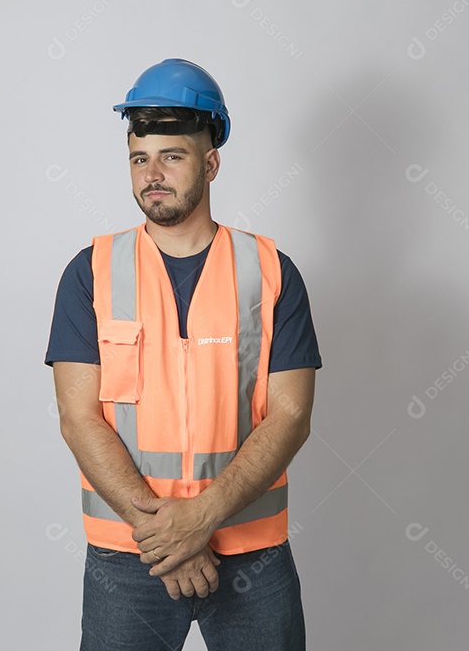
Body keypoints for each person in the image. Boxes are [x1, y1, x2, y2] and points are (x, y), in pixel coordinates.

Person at [45, 58, 322, 650]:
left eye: (171, 155)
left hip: (251, 552)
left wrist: (201, 518)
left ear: (211, 162)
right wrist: (165, 538)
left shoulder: (271, 272)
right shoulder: (90, 273)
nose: (153, 174)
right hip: (131, 555)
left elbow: (292, 415)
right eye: (139, 158)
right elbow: (78, 418)